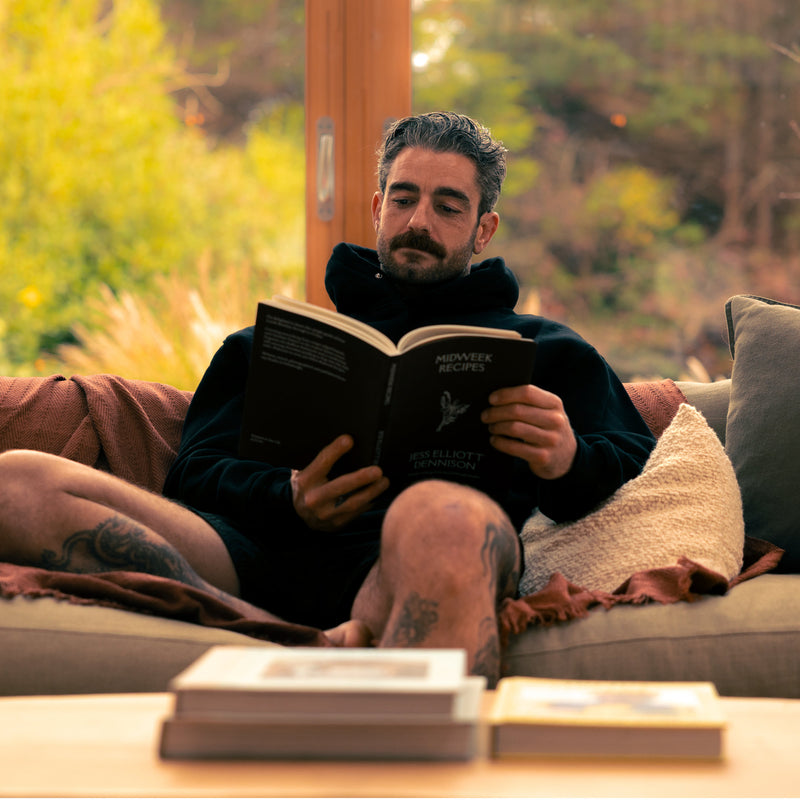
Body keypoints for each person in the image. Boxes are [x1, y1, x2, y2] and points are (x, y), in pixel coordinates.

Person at [0, 112, 655, 684]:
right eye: (403, 199)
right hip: (249, 562)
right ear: (377, 210)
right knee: (17, 479)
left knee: (443, 514)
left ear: (484, 230)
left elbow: (640, 462)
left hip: (405, 568)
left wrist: (567, 459)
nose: (418, 221)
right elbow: (192, 475)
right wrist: (286, 498)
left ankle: (312, 651)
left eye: (447, 206)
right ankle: (300, 641)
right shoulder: (274, 344)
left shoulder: (544, 351)